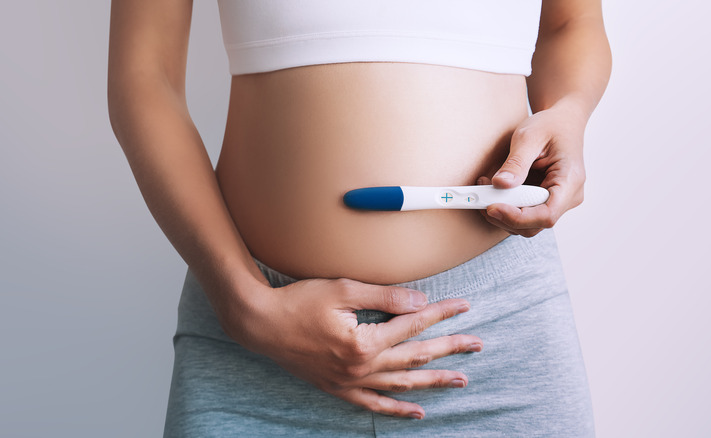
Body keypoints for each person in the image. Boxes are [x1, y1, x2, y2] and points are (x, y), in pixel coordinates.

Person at [107, 0, 611, 435]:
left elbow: (571, 23)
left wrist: (569, 111)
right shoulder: (249, 314)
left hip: (498, 337)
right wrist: (246, 306)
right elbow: (145, 75)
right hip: (255, 339)